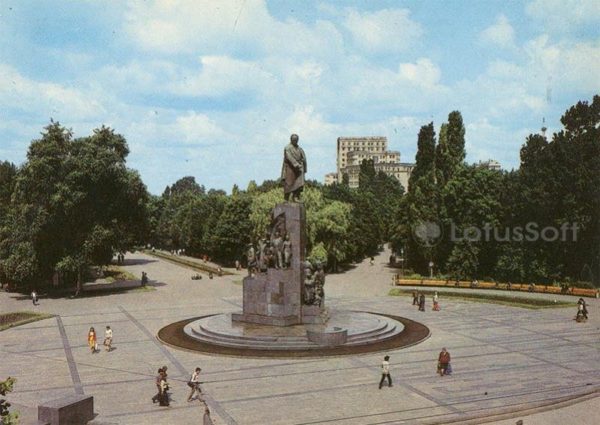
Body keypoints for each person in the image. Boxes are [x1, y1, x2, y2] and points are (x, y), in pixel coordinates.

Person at [281, 134, 307, 202]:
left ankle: (296, 197)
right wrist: (296, 165)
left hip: (298, 170)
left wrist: (304, 168)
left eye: (296, 140)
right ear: (291, 140)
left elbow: (303, 158)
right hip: (290, 168)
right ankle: (286, 198)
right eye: (294, 140)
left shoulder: (299, 149)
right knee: (289, 183)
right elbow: (289, 157)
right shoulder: (287, 148)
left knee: (298, 184)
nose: (295, 141)